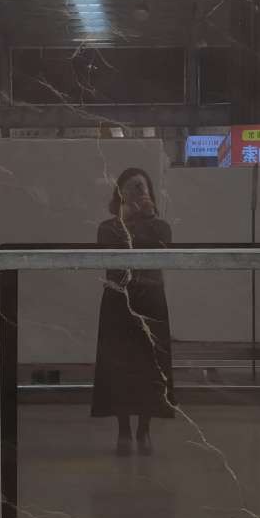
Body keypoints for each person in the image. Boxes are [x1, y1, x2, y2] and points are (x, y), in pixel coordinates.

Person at [91, 167, 176, 456]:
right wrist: (127, 218)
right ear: (121, 193)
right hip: (119, 301)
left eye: (143, 187)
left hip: (151, 300)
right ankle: (124, 430)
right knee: (120, 365)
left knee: (150, 364)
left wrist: (147, 218)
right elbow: (110, 253)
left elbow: (163, 247)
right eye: (133, 187)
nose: (140, 192)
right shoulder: (108, 227)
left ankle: (144, 429)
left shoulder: (160, 226)